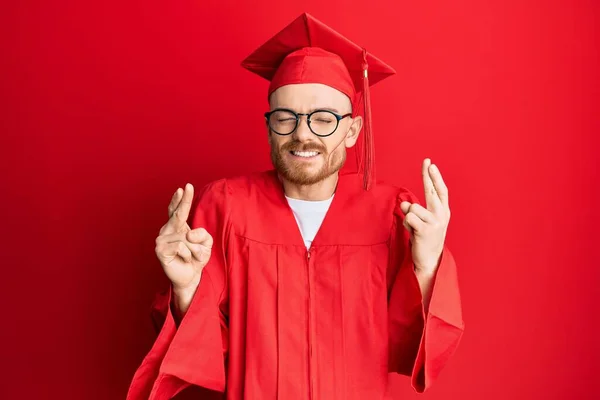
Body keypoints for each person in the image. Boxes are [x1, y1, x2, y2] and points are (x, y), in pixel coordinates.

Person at [127, 12, 464, 400]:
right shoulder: (224, 208)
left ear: (352, 131)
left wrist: (427, 265)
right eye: (285, 118)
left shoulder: (392, 215)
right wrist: (185, 289)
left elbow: (409, 346)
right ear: (269, 126)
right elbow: (206, 353)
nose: (302, 133)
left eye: (323, 119)